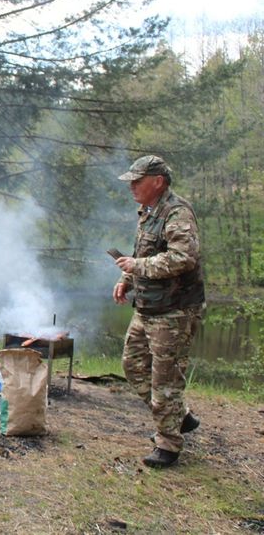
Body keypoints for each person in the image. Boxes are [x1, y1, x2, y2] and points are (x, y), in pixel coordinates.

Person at [113, 155, 204, 469]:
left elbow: (183, 258)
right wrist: (127, 279)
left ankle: (168, 445)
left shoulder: (177, 213)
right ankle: (180, 416)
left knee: (165, 380)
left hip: (174, 310)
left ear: (158, 181)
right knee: (133, 364)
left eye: (137, 181)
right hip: (148, 307)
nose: (132, 187)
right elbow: (144, 252)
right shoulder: (148, 212)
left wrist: (136, 266)